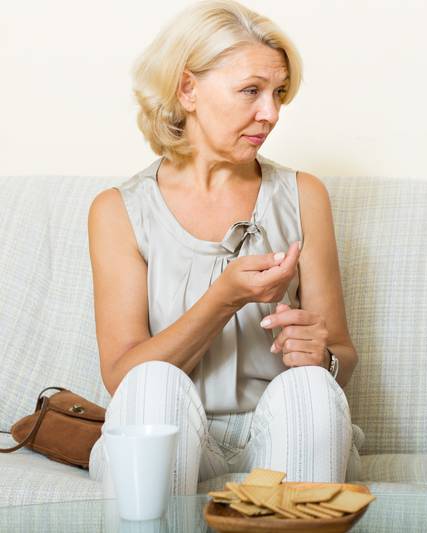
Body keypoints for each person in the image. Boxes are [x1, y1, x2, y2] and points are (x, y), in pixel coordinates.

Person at [87, 0, 360, 495]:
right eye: (250, 91)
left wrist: (322, 358)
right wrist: (223, 298)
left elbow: (341, 350)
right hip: (172, 430)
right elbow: (123, 379)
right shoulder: (117, 210)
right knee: (153, 385)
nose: (271, 113)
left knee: (310, 390)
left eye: (278, 93)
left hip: (280, 433)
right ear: (188, 89)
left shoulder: (304, 195)